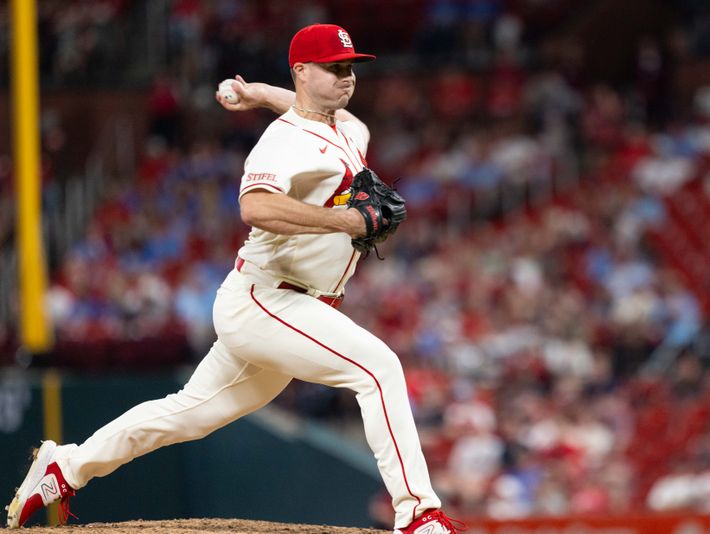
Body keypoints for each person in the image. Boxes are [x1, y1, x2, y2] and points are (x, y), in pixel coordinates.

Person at [6, 24, 463, 534]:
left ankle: (64, 467)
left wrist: (257, 93)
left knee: (184, 415)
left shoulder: (347, 130)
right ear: (303, 71)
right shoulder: (283, 141)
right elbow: (254, 206)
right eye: (334, 67)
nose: (346, 77)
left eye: (350, 66)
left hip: (292, 306)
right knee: (378, 368)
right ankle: (419, 514)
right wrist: (344, 221)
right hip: (266, 298)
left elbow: (321, 108)